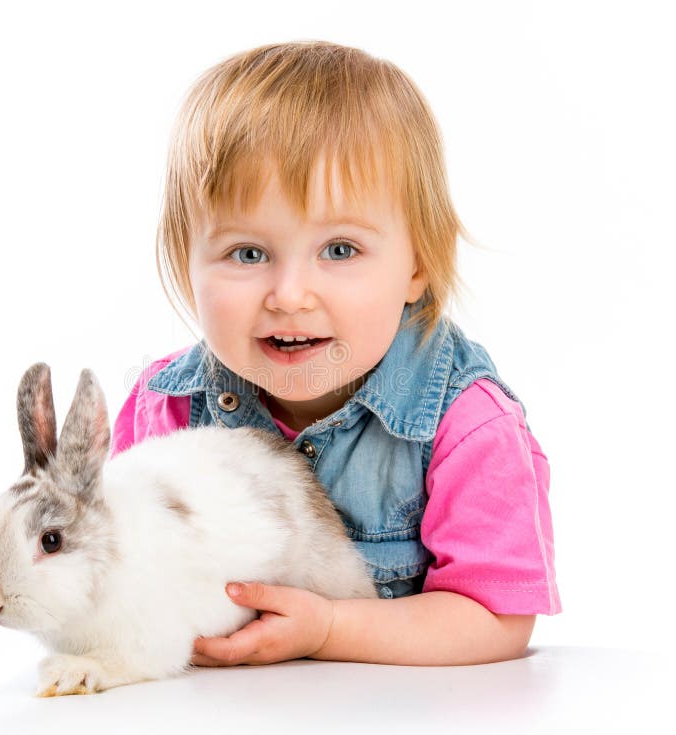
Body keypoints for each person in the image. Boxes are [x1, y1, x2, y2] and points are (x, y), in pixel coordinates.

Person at [111, 40, 561, 667]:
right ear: (188, 266)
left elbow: (496, 618)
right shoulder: (166, 411)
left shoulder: (468, 427)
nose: (290, 296)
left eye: (340, 250)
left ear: (418, 266)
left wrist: (328, 629)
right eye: (247, 253)